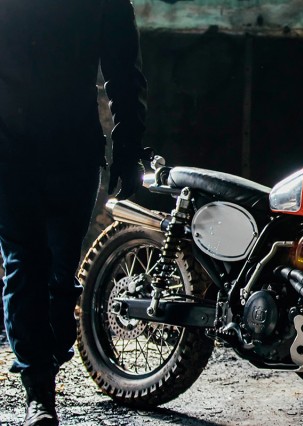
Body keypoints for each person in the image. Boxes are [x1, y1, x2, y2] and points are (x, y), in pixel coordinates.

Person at [0, 1, 147, 424]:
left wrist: (128, 150)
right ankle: (39, 393)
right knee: (26, 262)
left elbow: (123, 71)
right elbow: (124, 72)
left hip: (72, 151)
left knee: (60, 273)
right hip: (12, 151)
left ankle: (46, 365)